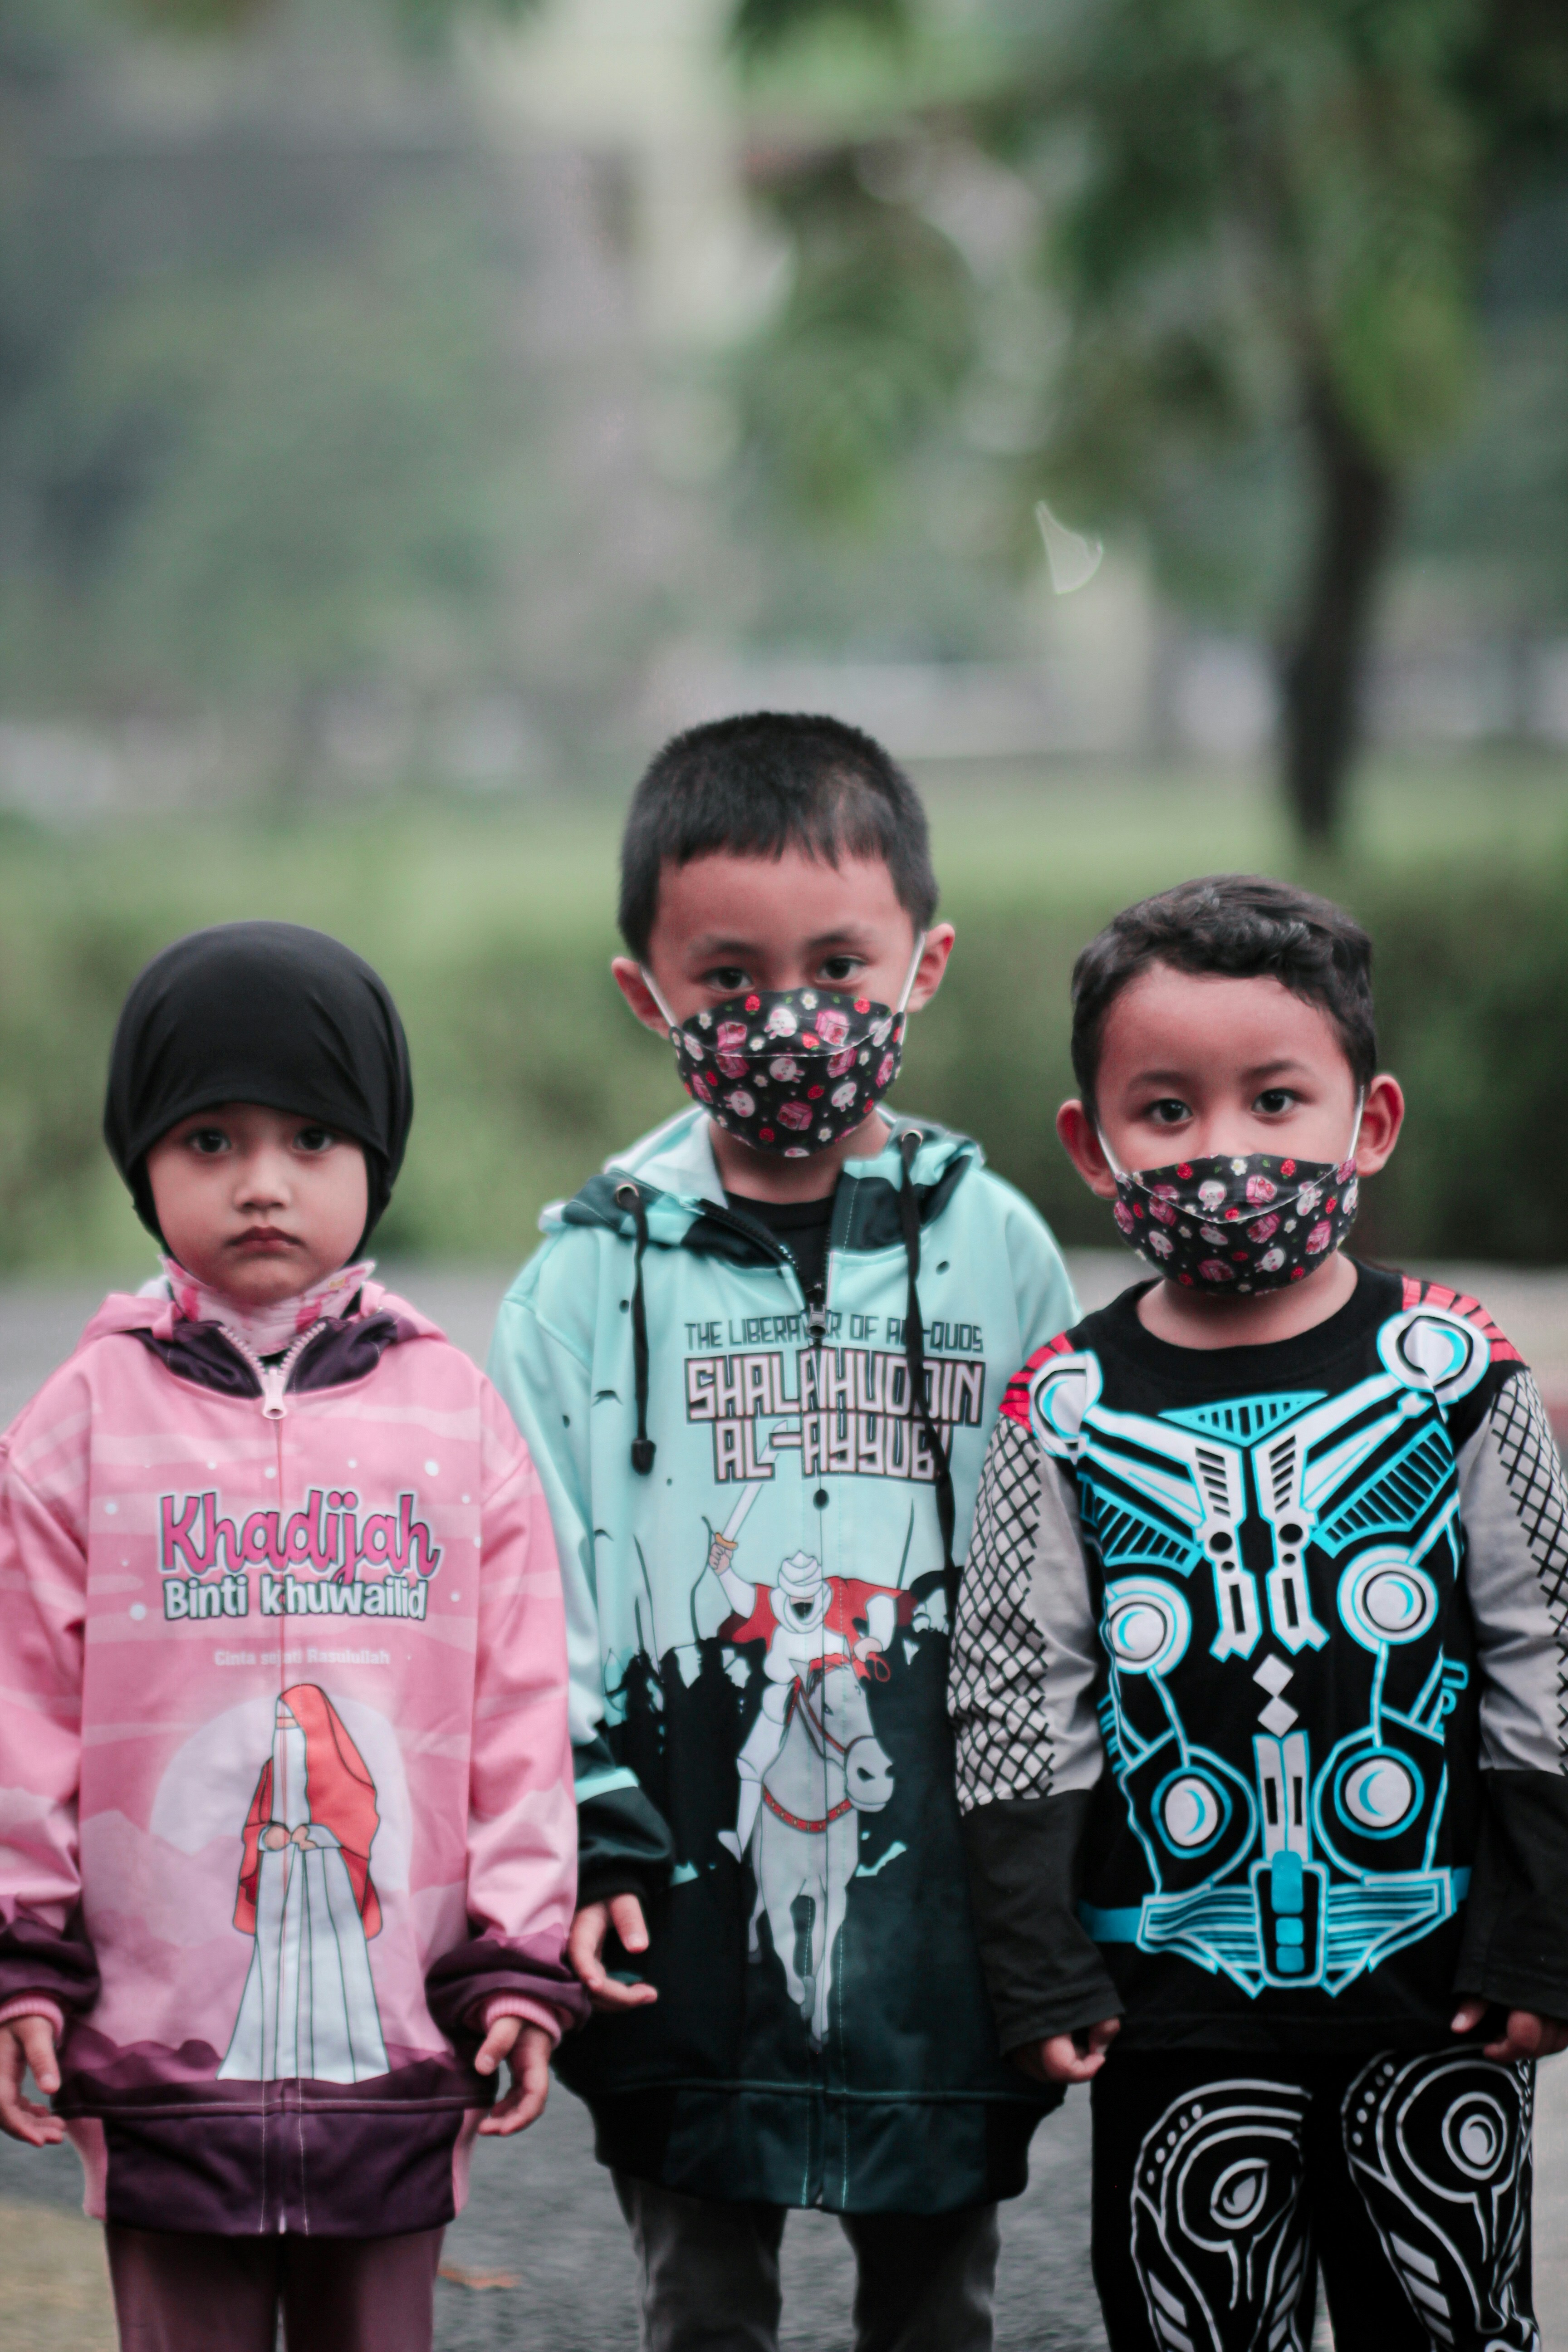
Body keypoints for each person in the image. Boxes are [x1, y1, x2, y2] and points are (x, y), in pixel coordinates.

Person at [487, 712, 1079, 2352]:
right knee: (701, 2291)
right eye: (730, 977)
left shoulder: (1001, 1252)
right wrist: (589, 1824)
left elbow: (1054, 1563)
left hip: (949, 1905)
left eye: (839, 962)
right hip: (675, 1875)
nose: (788, 1014)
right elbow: (534, 1575)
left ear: (924, 964)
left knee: (941, 2292)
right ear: (648, 996)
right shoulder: (586, 1281)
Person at [950, 873, 1568, 2352]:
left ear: (1370, 1123)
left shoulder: (1458, 1366)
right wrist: (1039, 1955)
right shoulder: (1062, 1404)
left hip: (1441, 1998)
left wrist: (1544, 1934)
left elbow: (1547, 1648)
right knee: (1198, 2316)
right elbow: (1014, 1693)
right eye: (1167, 1112)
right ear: (1091, 1150)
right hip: (1172, 2003)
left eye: (1276, 1101)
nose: (1227, 1150)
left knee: (1450, 2314)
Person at [0, 921, 585, 2352]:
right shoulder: (81, 1423)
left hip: (395, 2049)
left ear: (376, 1156)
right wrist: (21, 1952)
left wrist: (519, 1957)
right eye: (209, 1138)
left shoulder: (454, 1420)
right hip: (156, 2054)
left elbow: (519, 1712)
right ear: (140, 1159)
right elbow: (19, 1711)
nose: (263, 1183)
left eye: (312, 1137)